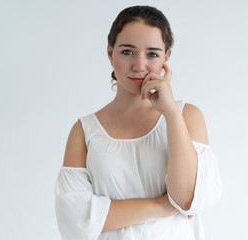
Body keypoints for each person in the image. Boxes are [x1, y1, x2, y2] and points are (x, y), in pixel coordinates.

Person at [55, 5, 223, 240]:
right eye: (127, 52)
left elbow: (186, 199)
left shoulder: (186, 116)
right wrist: (162, 206)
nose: (139, 65)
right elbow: (75, 219)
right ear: (110, 53)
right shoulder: (84, 130)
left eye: (152, 54)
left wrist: (170, 113)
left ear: (166, 58)